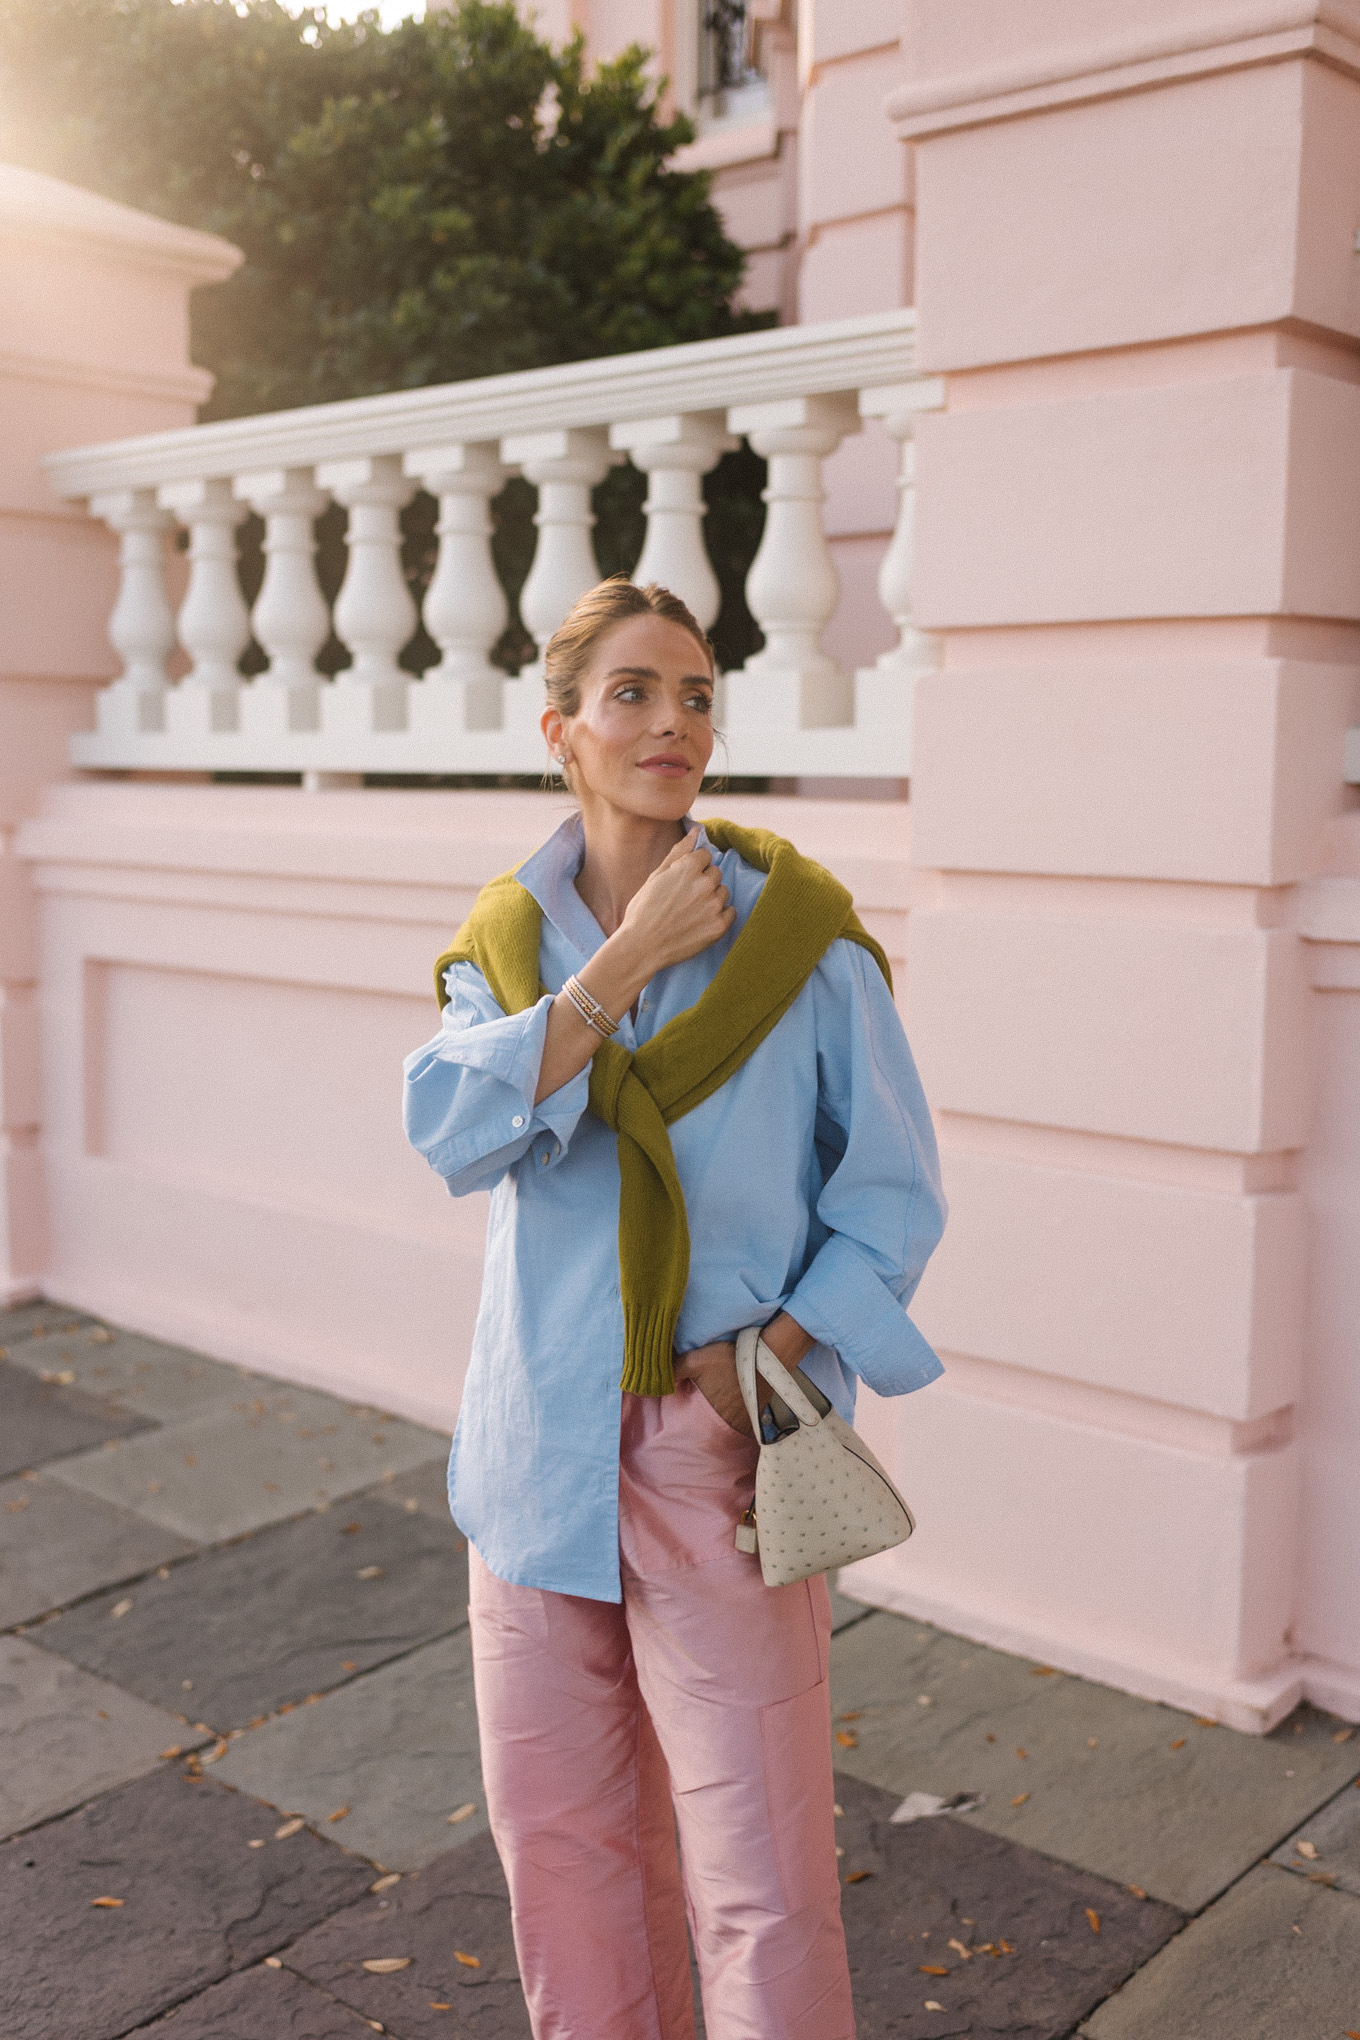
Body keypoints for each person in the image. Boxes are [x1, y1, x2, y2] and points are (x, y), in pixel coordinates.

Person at [403, 576, 946, 2040]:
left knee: (759, 1871)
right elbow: (452, 1132)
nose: (672, 721)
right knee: (566, 1854)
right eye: (633, 693)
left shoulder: (804, 946)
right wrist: (622, 960)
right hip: (537, 1458)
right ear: (561, 732)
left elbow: (892, 1194)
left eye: (697, 693)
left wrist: (778, 1353)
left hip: (721, 1458)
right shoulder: (508, 951)